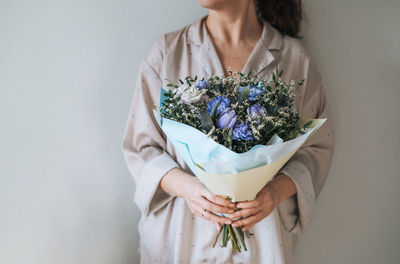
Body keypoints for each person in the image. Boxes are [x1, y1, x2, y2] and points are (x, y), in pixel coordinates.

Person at [121, 0, 334, 263]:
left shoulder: (294, 59)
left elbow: (316, 149)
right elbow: (140, 148)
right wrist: (189, 189)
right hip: (180, 240)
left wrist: (273, 193)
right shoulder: (167, 53)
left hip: (262, 242)